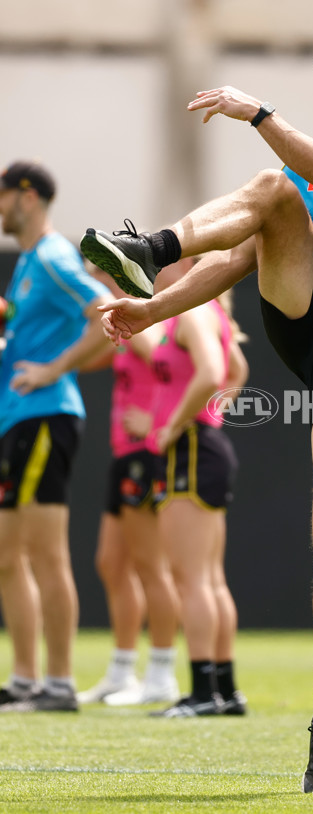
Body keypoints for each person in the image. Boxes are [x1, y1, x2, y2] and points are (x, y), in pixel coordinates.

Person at [80, 36, 313, 791]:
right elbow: (242, 253)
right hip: (306, 315)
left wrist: (260, 113)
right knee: (272, 193)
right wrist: (153, 308)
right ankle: (148, 244)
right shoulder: (309, 152)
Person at [0, 160, 111, 712]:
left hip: (46, 415)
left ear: (26, 196)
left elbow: (105, 315)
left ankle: (60, 683)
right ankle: (24, 679)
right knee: (6, 555)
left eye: (2, 195)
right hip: (17, 419)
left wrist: (52, 369)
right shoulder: (26, 264)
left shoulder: (53, 255)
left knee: (45, 554)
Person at [145, 259, 249, 717]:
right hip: (203, 445)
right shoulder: (210, 312)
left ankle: (204, 692)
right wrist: (213, 411)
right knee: (208, 578)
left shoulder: (192, 312)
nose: (153, 270)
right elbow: (236, 369)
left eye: (161, 263)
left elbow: (212, 373)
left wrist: (173, 423)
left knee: (190, 579)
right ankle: (225, 690)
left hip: (189, 448)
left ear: (187, 266)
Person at [77, 269, 180, 706]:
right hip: (124, 454)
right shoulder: (118, 322)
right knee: (111, 562)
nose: (94, 277)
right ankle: (122, 670)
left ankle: (162, 671)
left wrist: (156, 423)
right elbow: (84, 357)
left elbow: (168, 364)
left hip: (143, 453)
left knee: (149, 565)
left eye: (101, 271)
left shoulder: (141, 324)